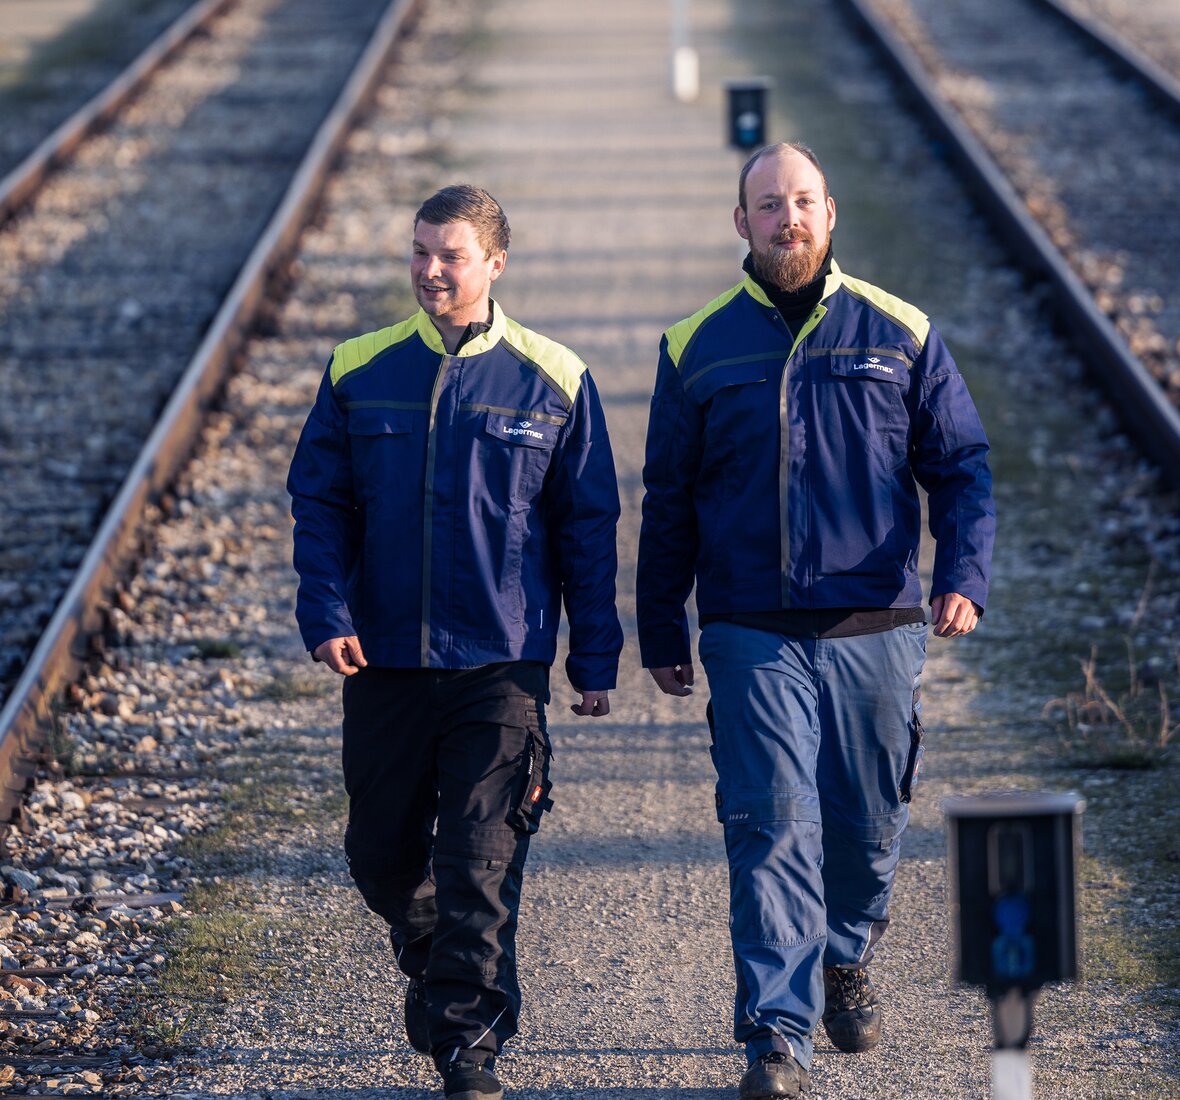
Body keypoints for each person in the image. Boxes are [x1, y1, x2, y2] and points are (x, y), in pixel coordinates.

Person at [637, 143, 994, 1099]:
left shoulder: (901, 331)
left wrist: (963, 574)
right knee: (771, 822)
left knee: (867, 822)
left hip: (877, 620)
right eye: (768, 204)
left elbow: (962, 469)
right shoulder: (695, 345)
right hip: (751, 627)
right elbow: (667, 499)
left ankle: (845, 952)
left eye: (802, 202)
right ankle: (776, 1035)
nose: (786, 219)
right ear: (742, 223)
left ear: (829, 214)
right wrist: (661, 627)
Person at [287, 184, 623, 1100]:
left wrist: (594, 657)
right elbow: (320, 504)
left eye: (451, 255)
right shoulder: (359, 368)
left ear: (495, 264)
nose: (430, 270)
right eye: (420, 251)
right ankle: (431, 950)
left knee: (480, 863)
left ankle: (468, 1046)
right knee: (380, 854)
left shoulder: (554, 377)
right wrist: (327, 611)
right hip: (385, 659)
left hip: (500, 664)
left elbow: (588, 531)